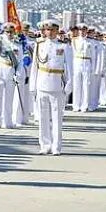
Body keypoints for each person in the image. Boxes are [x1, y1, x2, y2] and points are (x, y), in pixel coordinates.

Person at [29, 19, 73, 155]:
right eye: (47, 30)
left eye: (52, 30)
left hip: (57, 85)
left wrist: (69, 85)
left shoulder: (64, 47)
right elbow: (35, 67)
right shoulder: (39, 45)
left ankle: (56, 146)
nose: (50, 32)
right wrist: (33, 85)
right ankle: (45, 144)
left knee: (57, 118)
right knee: (42, 118)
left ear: (57, 31)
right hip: (42, 84)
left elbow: (70, 68)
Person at [0, 22, 21, 129]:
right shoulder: (0, 41)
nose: (9, 34)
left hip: (11, 71)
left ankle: (7, 121)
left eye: (11, 32)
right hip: (0, 71)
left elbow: (19, 61)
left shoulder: (17, 43)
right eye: (7, 31)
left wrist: (18, 74)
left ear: (14, 32)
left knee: (9, 98)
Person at [70, 23, 95, 112]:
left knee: (86, 85)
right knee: (76, 84)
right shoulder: (74, 40)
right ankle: (76, 105)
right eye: (80, 30)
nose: (82, 32)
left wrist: (93, 67)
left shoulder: (90, 42)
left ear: (86, 31)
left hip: (87, 62)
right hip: (77, 61)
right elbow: (72, 54)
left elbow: (93, 55)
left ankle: (85, 105)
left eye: (83, 30)